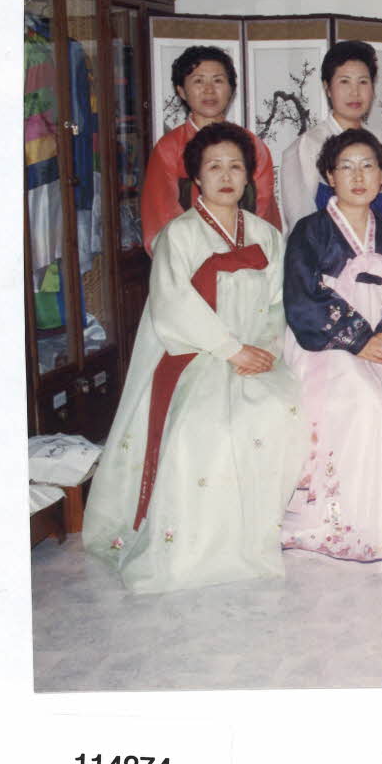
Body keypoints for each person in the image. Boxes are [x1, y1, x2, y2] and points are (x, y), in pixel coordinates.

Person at [83, 123, 304, 593]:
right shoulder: (178, 236)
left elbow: (277, 304)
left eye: (236, 167)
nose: (226, 176)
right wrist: (230, 349)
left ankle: (261, 533)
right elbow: (173, 304)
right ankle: (198, 546)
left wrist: (261, 350)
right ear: (196, 177)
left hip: (255, 353)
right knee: (209, 426)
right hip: (193, 354)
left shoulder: (266, 235)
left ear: (249, 177)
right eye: (214, 166)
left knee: (286, 410)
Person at [281, 129, 382, 563]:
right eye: (346, 167)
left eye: (368, 166)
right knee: (364, 400)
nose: (358, 176)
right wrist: (358, 339)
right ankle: (341, 522)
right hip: (327, 343)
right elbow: (303, 301)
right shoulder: (309, 231)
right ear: (329, 176)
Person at [141, 46, 279, 253]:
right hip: (189, 257)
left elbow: (263, 209)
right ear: (181, 91)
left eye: (218, 80)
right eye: (198, 81)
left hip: (247, 255)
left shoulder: (252, 146)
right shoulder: (169, 148)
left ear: (231, 89)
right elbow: (161, 216)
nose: (209, 90)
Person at [277, 40, 382, 232]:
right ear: (328, 88)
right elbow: (300, 221)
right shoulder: (308, 146)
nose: (355, 92)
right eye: (344, 81)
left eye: (363, 82)